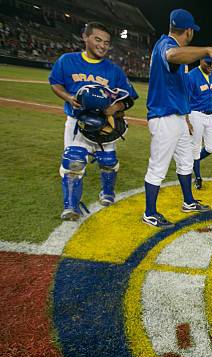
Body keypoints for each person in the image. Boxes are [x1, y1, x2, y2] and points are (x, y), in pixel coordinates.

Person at [143, 9, 212, 228]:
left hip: (179, 117)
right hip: (164, 116)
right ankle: (149, 213)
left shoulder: (177, 49)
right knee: (158, 167)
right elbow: (171, 55)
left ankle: (189, 202)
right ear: (189, 31)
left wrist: (186, 117)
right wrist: (207, 50)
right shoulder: (167, 45)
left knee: (186, 161)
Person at [49, 21, 138, 221]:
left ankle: (107, 192)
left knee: (108, 162)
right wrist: (68, 98)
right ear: (85, 37)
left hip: (105, 123)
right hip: (77, 122)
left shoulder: (113, 70)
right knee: (73, 161)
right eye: (98, 39)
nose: (102, 45)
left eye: (106, 42)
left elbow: (129, 98)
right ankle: (71, 206)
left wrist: (115, 108)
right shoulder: (67, 61)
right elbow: (55, 83)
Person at [188, 55, 212, 190]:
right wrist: (186, 119)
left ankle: (192, 162)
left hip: (211, 115)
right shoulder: (192, 75)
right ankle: (197, 176)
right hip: (196, 114)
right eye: (207, 63)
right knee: (196, 148)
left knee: (211, 147)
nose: (210, 67)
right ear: (201, 60)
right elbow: (186, 98)